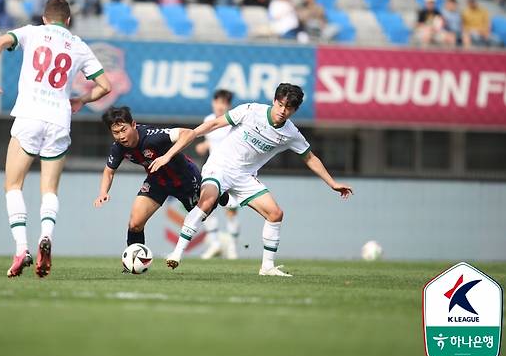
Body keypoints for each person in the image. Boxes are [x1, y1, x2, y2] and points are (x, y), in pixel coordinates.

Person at [149, 83, 353, 276]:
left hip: (245, 177)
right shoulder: (251, 110)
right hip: (220, 166)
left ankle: (267, 267)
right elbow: (215, 123)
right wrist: (190, 136)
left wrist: (332, 183)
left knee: (275, 214)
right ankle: (177, 253)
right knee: (207, 202)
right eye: (280, 104)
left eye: (289, 108)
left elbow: (310, 157)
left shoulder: (291, 133)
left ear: (294, 110)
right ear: (274, 101)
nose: (283, 110)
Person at [0, 0, 112, 278]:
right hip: (59, 120)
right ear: (68, 21)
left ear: (44, 18)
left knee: (13, 185)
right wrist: (82, 101)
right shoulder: (78, 45)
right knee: (49, 190)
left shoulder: (32, 32)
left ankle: (21, 248)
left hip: (29, 116)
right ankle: (47, 235)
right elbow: (105, 86)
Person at [94, 106, 212, 260]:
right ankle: (134, 261)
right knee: (135, 223)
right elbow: (109, 171)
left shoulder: (152, 136)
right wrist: (103, 192)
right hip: (157, 181)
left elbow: (189, 133)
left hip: (185, 179)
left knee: (204, 215)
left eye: (124, 130)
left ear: (134, 124)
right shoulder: (118, 148)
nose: (121, 136)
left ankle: (221, 196)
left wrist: (167, 156)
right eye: (116, 132)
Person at [195, 90, 242, 260]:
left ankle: (232, 249)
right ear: (213, 102)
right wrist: (205, 144)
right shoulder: (208, 120)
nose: (220, 106)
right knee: (206, 206)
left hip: (232, 170)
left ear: (228, 106)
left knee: (231, 210)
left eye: (224, 103)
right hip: (214, 170)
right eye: (218, 102)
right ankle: (214, 243)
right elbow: (214, 138)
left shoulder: (233, 121)